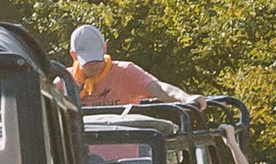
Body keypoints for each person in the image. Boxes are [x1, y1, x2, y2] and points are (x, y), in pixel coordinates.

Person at [68, 23, 199, 108]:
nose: (94, 65)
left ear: (105, 49)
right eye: (88, 61)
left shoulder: (125, 72)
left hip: (124, 148)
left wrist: (186, 98)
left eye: (97, 59)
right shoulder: (65, 81)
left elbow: (159, 88)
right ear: (73, 55)